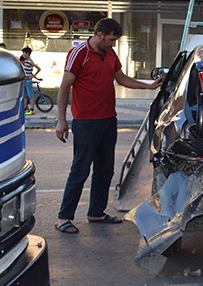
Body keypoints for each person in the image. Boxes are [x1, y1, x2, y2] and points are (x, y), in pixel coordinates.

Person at [54, 18, 163, 234]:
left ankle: (96, 212)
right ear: (100, 34)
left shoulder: (110, 54)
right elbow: (64, 87)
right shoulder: (80, 54)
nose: (113, 44)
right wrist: (61, 120)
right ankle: (63, 217)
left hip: (107, 120)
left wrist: (148, 86)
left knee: (105, 169)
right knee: (80, 170)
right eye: (111, 39)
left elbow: (121, 78)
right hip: (86, 122)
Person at [20, 47, 41, 115]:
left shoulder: (30, 62)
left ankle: (32, 109)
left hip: (28, 81)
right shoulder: (24, 61)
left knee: (30, 95)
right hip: (24, 80)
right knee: (25, 95)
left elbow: (38, 69)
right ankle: (25, 108)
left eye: (24, 53)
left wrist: (32, 76)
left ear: (28, 54)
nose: (23, 54)